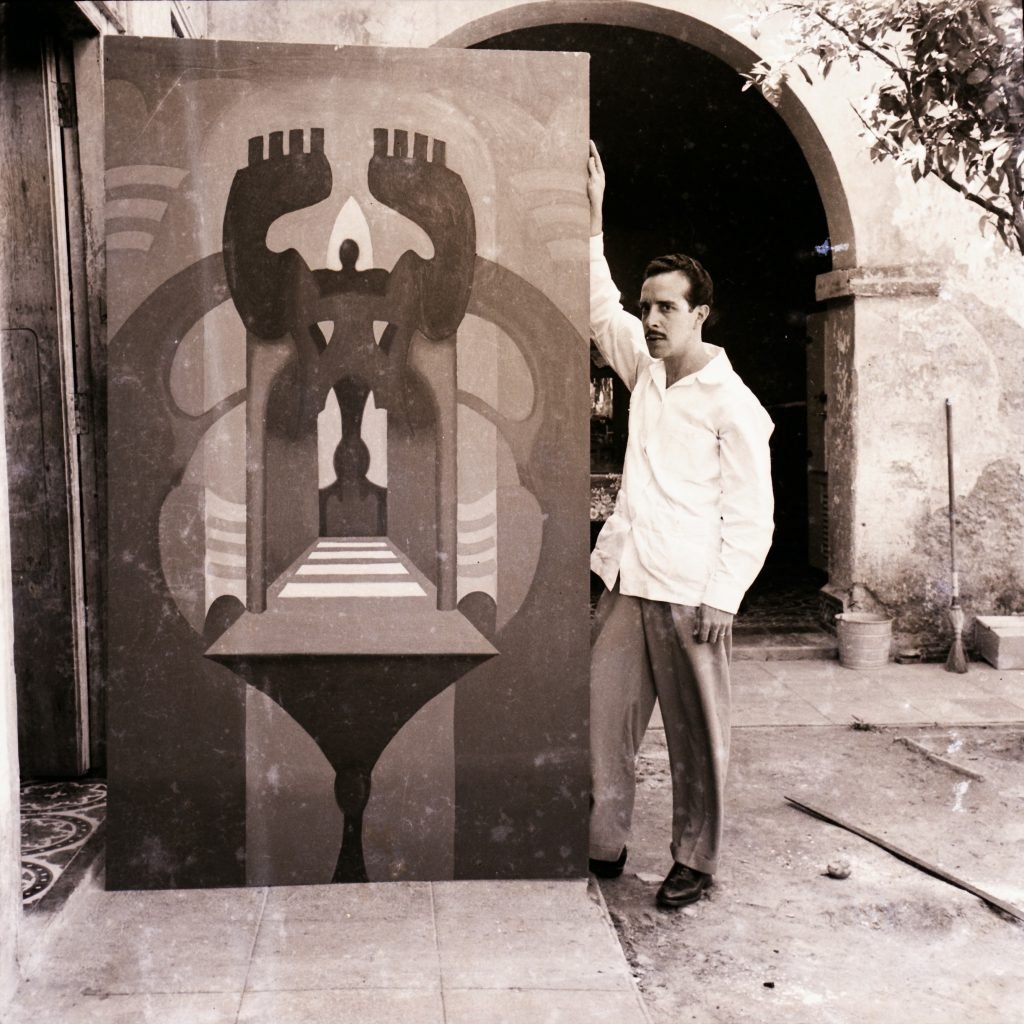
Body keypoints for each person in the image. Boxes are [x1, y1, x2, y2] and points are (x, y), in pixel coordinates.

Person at [586, 141, 775, 909]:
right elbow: (599, 305)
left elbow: (753, 513)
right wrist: (595, 215)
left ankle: (694, 860)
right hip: (630, 581)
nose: (651, 318)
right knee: (601, 721)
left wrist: (724, 596)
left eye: (667, 307)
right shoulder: (646, 370)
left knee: (698, 745)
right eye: (648, 306)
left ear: (700, 314)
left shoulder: (734, 404)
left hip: (695, 594)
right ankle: (603, 843)